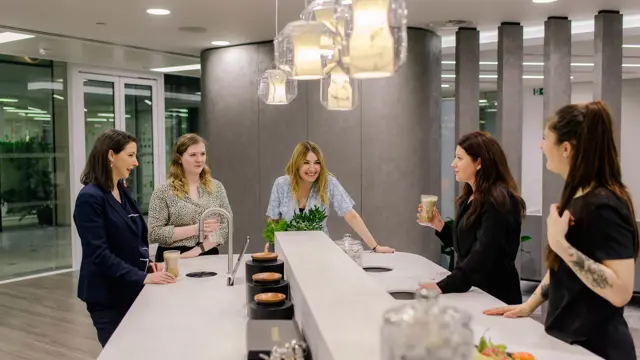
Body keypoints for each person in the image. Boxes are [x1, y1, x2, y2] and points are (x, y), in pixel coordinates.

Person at [484, 101, 638, 359]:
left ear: (566, 148)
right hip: (569, 341)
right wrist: (529, 305)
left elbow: (621, 291)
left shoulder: (604, 205)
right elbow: (563, 269)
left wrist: (562, 246)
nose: (541, 145)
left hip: (596, 347)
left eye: (545, 138)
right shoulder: (579, 198)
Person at [74, 129, 176, 347]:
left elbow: (132, 238)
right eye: (130, 155)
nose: (136, 162)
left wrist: (147, 265)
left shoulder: (121, 190)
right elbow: (99, 255)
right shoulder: (89, 198)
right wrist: (142, 277)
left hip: (130, 290)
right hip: (107, 297)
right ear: (111, 155)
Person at [417, 131, 526, 305]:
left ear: (479, 163)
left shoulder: (499, 201)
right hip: (471, 293)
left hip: (495, 297)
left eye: (459, 158)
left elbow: (483, 254)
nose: (453, 164)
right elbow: (466, 245)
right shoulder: (468, 198)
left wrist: (442, 286)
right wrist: (439, 225)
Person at [265, 141, 394, 253]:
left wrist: (375, 246)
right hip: (289, 252)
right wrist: (271, 245)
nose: (312, 168)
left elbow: (350, 215)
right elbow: (273, 221)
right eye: (306, 162)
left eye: (316, 162)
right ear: (296, 164)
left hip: (321, 252)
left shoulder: (328, 183)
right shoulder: (281, 184)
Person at [148, 133, 232, 262]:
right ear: (179, 158)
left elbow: (225, 227)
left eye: (202, 154)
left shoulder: (217, 187)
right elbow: (154, 233)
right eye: (193, 155)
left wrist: (198, 250)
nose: (199, 159)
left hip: (208, 253)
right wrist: (196, 229)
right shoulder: (163, 191)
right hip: (174, 257)